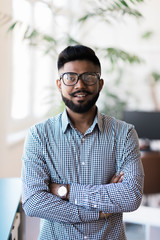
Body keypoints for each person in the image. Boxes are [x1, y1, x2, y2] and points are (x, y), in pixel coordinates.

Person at [22, 45, 144, 240]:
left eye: (89, 77)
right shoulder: (39, 135)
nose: (79, 85)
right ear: (59, 84)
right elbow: (34, 202)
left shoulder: (124, 134)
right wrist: (101, 210)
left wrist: (64, 190)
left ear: (100, 84)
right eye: (70, 77)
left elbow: (131, 197)